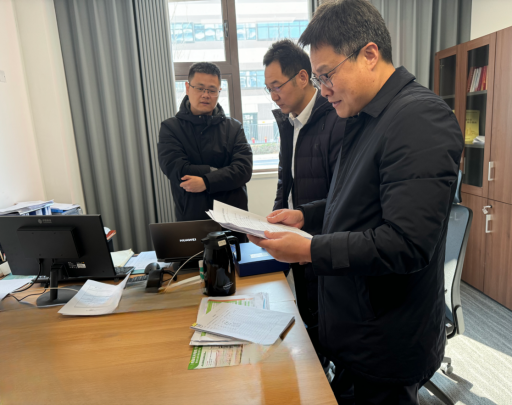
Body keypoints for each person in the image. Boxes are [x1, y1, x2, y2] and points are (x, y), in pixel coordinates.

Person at [247, 1, 464, 404]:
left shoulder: (419, 118)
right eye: (318, 78)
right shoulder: (365, 116)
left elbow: (406, 243)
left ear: (369, 54)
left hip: (386, 341)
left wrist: (311, 250)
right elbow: (354, 199)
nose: (323, 89)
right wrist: (306, 215)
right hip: (358, 331)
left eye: (327, 75)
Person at [263, 39, 344, 361]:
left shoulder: (335, 118)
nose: (273, 95)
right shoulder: (289, 121)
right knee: (307, 317)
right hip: (296, 235)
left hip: (324, 243)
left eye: (277, 86)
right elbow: (285, 182)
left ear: (301, 77)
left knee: (328, 325)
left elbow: (342, 195)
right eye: (268, 89)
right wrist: (273, 221)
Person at [158, 62, 253, 227]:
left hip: (233, 218)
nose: (205, 95)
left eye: (212, 90)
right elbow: (177, 170)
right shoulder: (171, 128)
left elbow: (243, 170)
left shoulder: (233, 127)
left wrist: (206, 182)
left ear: (219, 91)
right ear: (187, 88)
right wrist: (215, 172)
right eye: (200, 88)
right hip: (193, 217)